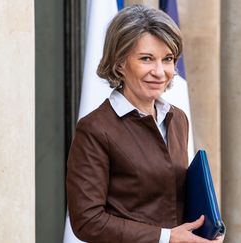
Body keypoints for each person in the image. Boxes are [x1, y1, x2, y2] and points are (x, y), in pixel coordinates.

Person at [66, 4, 224, 243]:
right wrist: (165, 237)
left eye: (168, 59)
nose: (160, 72)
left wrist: (205, 232)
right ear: (119, 63)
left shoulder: (177, 118)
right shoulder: (96, 128)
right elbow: (87, 220)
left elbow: (174, 199)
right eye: (146, 59)